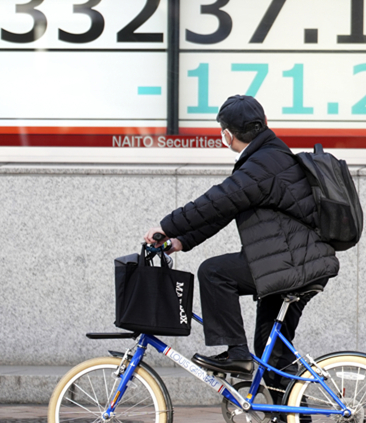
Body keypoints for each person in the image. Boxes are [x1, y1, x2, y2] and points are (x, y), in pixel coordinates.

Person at [144, 95, 339, 403]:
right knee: (271, 354)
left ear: (229, 133)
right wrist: (182, 240)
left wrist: (167, 226)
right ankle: (287, 415)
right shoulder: (268, 157)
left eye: (223, 130)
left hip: (292, 263)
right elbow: (227, 209)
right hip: (297, 262)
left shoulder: (264, 162)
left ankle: (236, 354)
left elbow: (218, 200)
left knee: (214, 272)